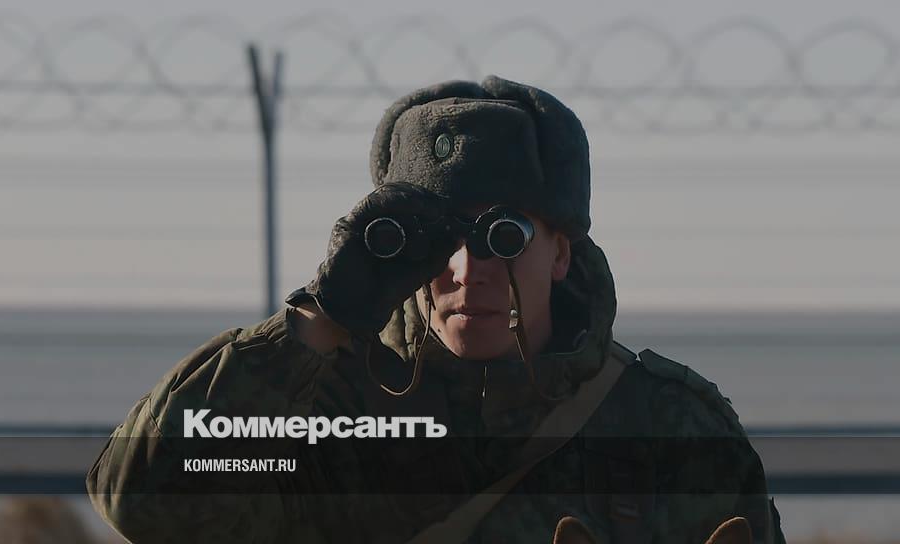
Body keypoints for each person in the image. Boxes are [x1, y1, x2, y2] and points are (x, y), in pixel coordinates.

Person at [87, 76, 785, 543]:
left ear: (561, 252)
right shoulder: (324, 414)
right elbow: (145, 503)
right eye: (437, 240)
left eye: (504, 237)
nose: (467, 270)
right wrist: (320, 320)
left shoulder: (665, 428)